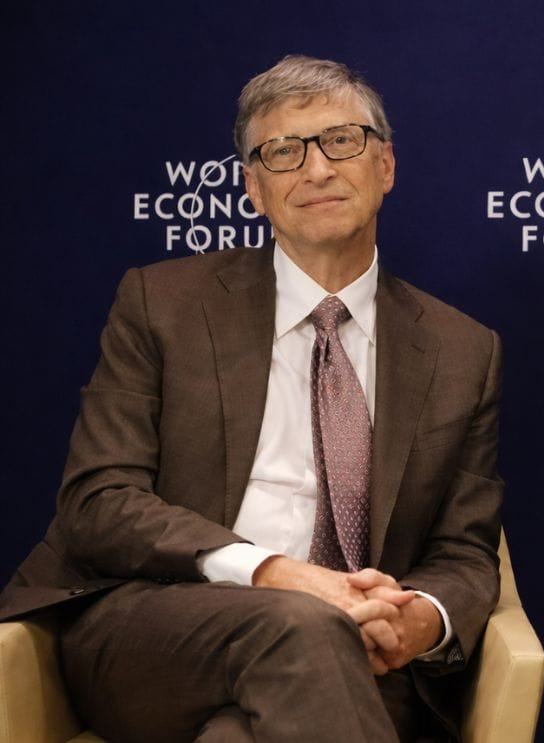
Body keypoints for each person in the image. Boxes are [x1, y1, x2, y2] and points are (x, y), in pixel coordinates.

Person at [0, 55, 503, 742]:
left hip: (359, 656)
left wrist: (416, 617)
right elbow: (98, 500)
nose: (317, 169)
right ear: (254, 190)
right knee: (298, 621)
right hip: (157, 630)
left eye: (341, 141)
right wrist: (275, 573)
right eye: (284, 152)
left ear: (384, 166)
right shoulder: (163, 304)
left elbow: (466, 551)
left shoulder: (461, 350)